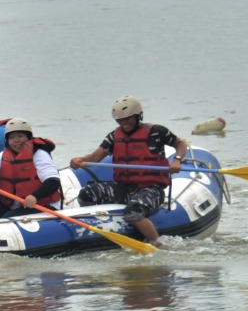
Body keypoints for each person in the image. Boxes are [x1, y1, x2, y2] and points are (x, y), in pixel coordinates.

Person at [70, 96, 188, 245]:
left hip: (151, 189)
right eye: (119, 120)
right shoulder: (114, 136)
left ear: (138, 116)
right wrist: (79, 160)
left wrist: (177, 160)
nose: (123, 123)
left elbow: (180, 145)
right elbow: (95, 157)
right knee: (87, 194)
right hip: (124, 188)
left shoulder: (157, 132)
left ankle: (156, 242)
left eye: (127, 119)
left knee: (133, 211)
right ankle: (95, 233)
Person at [0, 118, 61, 216]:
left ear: (28, 137)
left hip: (41, 204)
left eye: (20, 136)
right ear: (7, 140)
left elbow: (53, 181)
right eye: (12, 137)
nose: (16, 140)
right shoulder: (3, 155)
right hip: (13, 203)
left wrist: (34, 196)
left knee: (8, 216)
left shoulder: (39, 153)